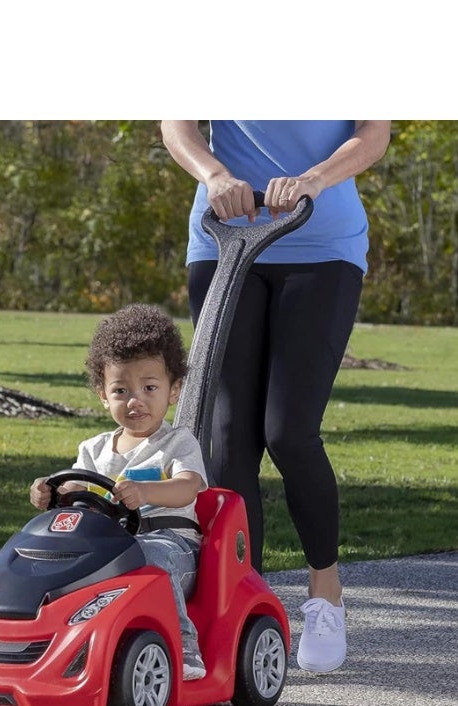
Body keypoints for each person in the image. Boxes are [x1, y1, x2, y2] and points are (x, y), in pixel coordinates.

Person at [160, 120, 391, 674]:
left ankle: (325, 594)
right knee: (228, 438)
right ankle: (244, 608)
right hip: (224, 237)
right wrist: (215, 174)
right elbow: (178, 123)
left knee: (288, 430)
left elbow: (373, 133)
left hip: (321, 244)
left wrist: (314, 178)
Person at [30, 303, 209, 680]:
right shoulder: (93, 450)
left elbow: (187, 488)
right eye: (121, 390)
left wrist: (145, 492)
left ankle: (185, 646)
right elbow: (75, 491)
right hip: (107, 550)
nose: (135, 400)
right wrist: (50, 493)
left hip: (171, 547)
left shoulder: (177, 442)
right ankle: (44, 643)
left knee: (149, 555)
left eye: (149, 388)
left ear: (173, 390)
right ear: (102, 393)